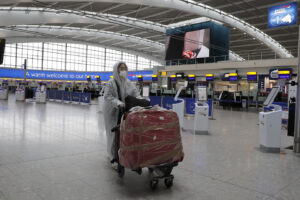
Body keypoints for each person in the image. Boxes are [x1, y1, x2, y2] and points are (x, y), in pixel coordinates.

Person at [103, 61, 141, 169]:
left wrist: (144, 101)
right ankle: (112, 158)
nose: (123, 70)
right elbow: (108, 97)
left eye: (125, 68)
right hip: (111, 112)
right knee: (113, 134)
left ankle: (120, 154)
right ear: (116, 70)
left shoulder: (128, 83)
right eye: (121, 68)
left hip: (123, 111)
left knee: (122, 134)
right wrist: (118, 103)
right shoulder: (111, 82)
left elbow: (136, 94)